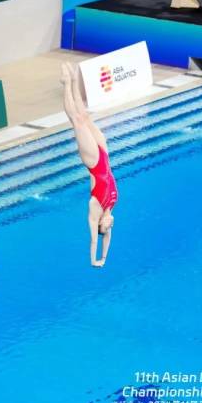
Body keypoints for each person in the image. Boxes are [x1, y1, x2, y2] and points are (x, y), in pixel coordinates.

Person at [60, 62, 118, 267]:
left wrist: (95, 260)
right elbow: (107, 238)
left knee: (77, 120)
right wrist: (105, 258)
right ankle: (75, 81)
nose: (110, 226)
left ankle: (66, 84)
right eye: (109, 228)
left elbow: (95, 239)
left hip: (93, 161)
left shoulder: (96, 208)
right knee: (84, 115)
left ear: (101, 224)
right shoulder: (112, 204)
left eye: (106, 227)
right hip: (104, 154)